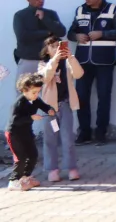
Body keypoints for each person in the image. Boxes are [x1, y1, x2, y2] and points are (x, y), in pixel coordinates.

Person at [67, 0, 116, 145]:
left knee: (104, 97)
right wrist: (76, 36)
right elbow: (70, 32)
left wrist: (102, 33)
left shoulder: (114, 9)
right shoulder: (80, 10)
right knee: (81, 97)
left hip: (105, 61)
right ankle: (84, 132)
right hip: (82, 62)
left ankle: (101, 133)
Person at [38, 35, 82, 182]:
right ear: (46, 50)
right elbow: (44, 78)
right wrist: (54, 60)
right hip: (49, 108)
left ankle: (71, 168)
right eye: (53, 46)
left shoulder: (68, 62)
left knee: (67, 138)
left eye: (59, 45)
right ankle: (52, 169)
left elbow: (79, 74)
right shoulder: (43, 64)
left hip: (65, 105)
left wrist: (71, 58)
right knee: (50, 139)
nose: (57, 49)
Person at [6, 73, 53, 191]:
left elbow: (43, 105)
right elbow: (15, 120)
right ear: (25, 90)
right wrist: (31, 117)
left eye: (38, 92)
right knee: (21, 157)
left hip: (26, 131)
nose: (36, 95)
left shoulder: (35, 99)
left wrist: (49, 109)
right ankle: (13, 180)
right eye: (34, 92)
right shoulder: (19, 103)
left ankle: (25, 177)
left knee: (33, 155)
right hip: (14, 134)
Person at [13, 0, 66, 79]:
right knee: (24, 92)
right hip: (28, 60)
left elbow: (61, 32)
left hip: (49, 62)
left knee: (49, 93)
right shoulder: (20, 15)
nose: (41, 0)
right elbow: (23, 37)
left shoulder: (50, 14)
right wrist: (48, 33)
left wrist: (44, 18)